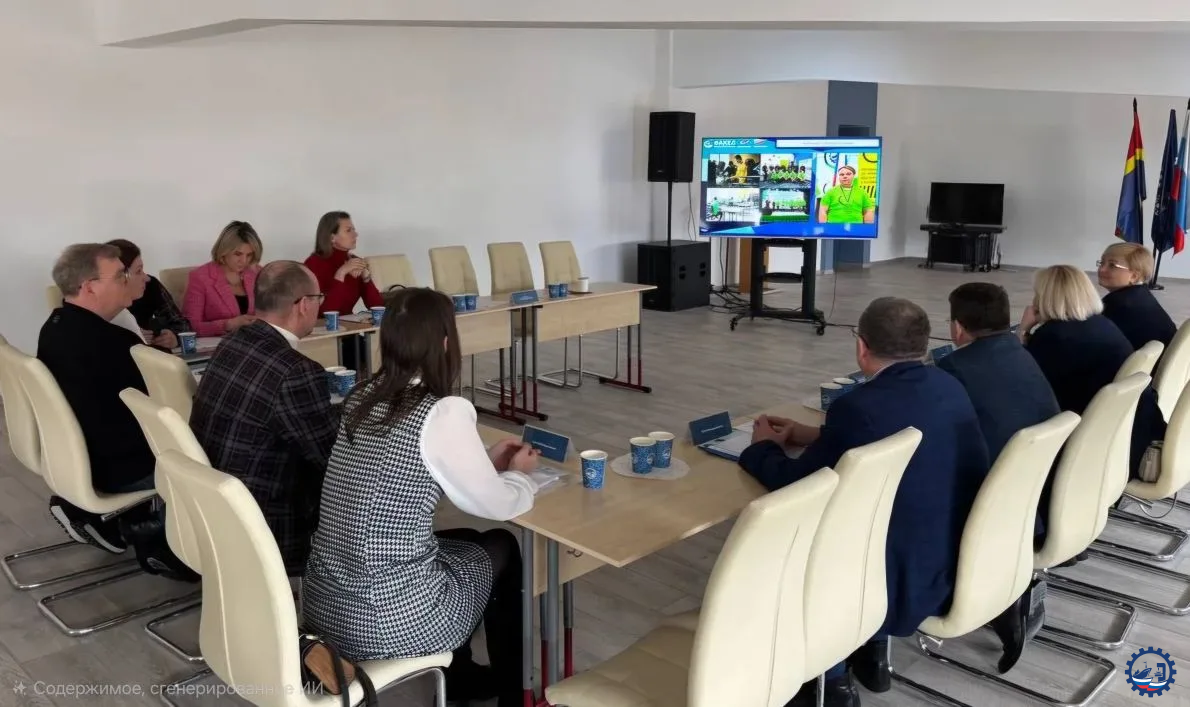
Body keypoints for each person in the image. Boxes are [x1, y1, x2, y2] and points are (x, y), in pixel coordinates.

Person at [739, 297, 990, 707]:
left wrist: (761, 449)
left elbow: (802, 486)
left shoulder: (858, 407)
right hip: (948, 551)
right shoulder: (948, 385)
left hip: (891, 570)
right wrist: (817, 435)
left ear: (861, 347)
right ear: (924, 343)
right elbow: (885, 437)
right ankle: (872, 653)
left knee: (792, 550)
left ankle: (831, 679)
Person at [302, 287, 540, 707]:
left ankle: (461, 675)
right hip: (387, 618)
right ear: (445, 343)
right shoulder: (440, 411)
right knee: (501, 545)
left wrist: (484, 462)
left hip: (327, 603)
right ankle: (512, 696)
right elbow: (498, 506)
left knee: (467, 540)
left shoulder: (362, 396)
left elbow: (410, 470)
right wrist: (519, 476)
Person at [936, 282, 1060, 672]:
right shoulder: (1023, 354)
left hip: (991, 505)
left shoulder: (954, 369)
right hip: (1039, 497)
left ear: (957, 328)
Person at [189, 260, 337, 575]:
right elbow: (331, 458)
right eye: (319, 299)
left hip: (212, 505)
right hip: (266, 521)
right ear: (304, 305)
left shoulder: (234, 340)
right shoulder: (297, 370)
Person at [37, 243, 153, 552]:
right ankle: (159, 537)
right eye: (120, 275)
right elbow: (158, 408)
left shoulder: (54, 327)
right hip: (126, 469)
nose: (128, 280)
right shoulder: (115, 343)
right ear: (89, 287)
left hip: (78, 462)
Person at [1019, 265, 1166, 478]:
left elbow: (1025, 383)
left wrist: (1023, 331)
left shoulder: (1054, 336)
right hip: (1131, 437)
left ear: (1047, 298)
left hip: (1096, 452)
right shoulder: (1100, 323)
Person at [303, 211, 385, 371]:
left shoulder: (353, 261)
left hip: (348, 334)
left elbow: (376, 306)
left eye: (354, 229)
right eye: (349, 230)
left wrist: (366, 277)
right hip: (321, 337)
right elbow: (325, 312)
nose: (356, 234)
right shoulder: (313, 264)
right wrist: (340, 274)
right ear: (332, 237)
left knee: (381, 353)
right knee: (361, 358)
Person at [106, 239, 191, 351]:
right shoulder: (99, 305)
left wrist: (174, 337)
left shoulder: (150, 286)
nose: (146, 278)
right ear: (120, 277)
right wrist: (132, 336)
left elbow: (181, 323)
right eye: (138, 271)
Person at [182, 220, 262, 337]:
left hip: (255, 342)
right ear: (224, 251)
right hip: (218, 344)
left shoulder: (258, 272)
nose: (244, 261)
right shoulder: (200, 277)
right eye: (238, 254)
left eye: (249, 255)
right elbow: (189, 326)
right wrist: (227, 325)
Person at [1097, 242, 1177, 351]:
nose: (1101, 269)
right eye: (1102, 263)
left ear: (1134, 276)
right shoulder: (1141, 294)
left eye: (1112, 265)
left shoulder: (1117, 304)